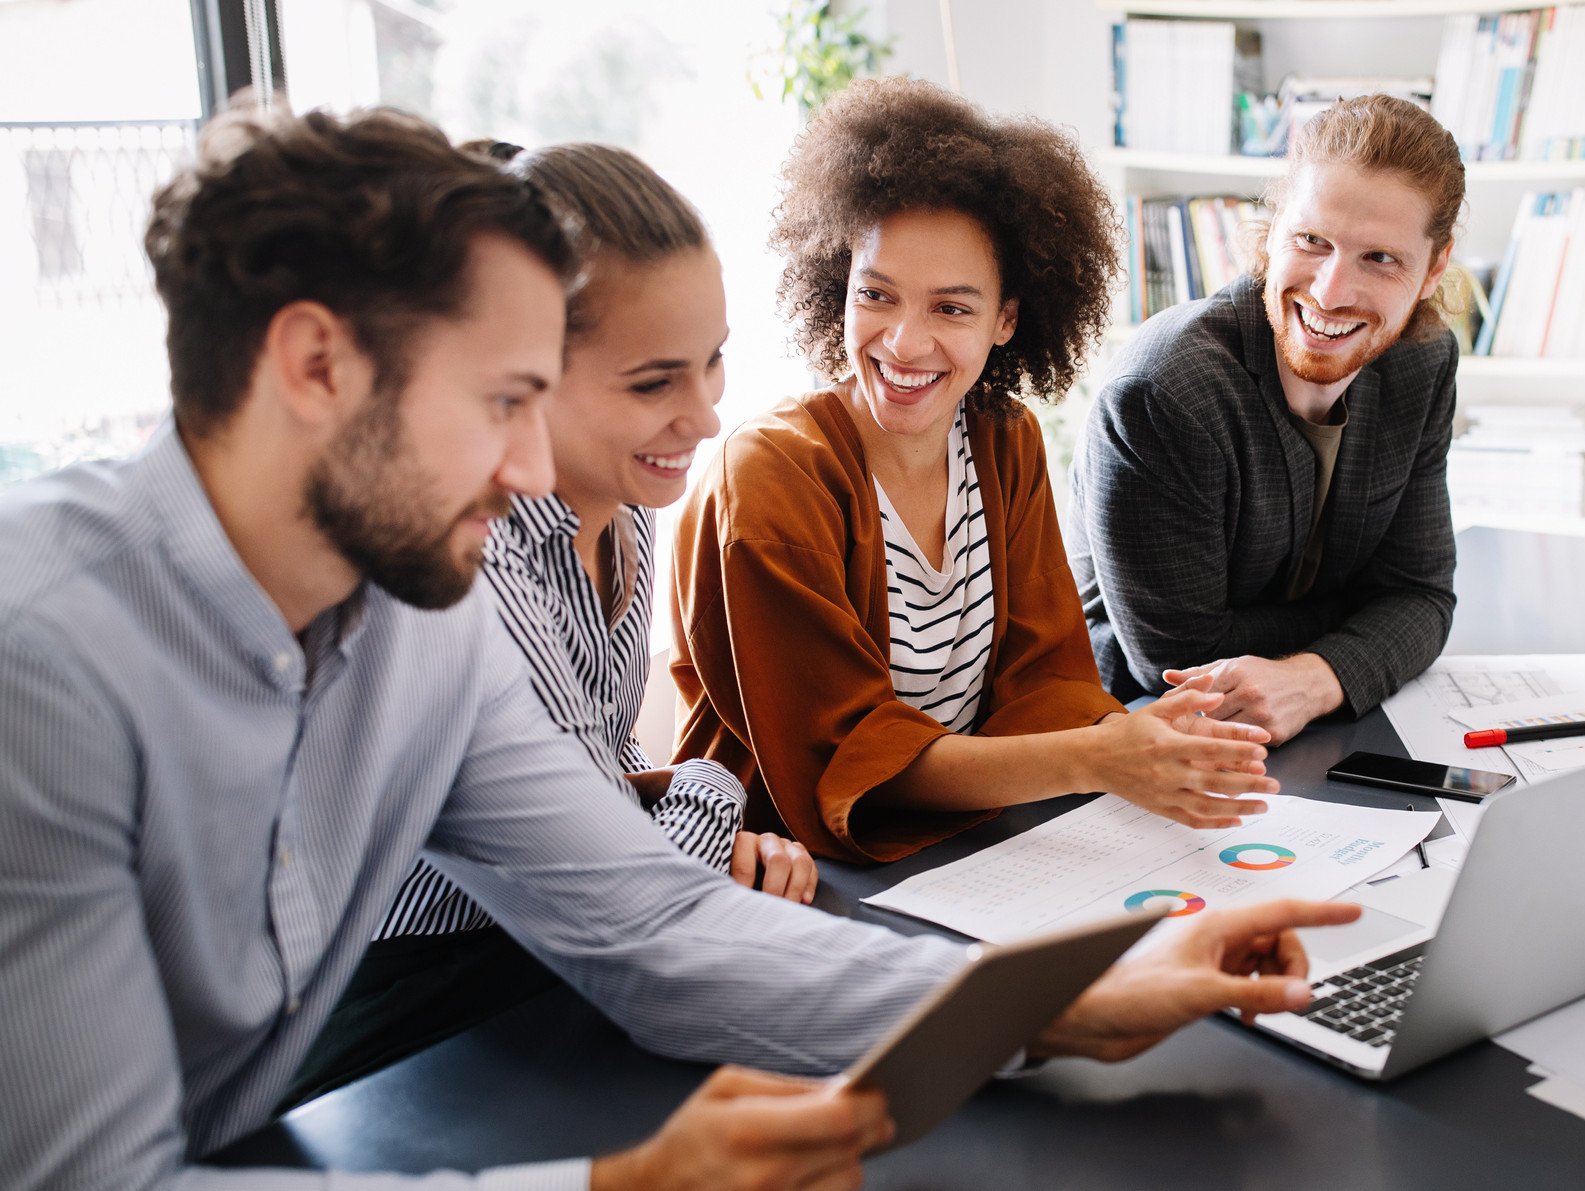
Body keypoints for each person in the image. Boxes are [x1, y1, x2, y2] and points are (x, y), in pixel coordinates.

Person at [0, 106, 1359, 1191]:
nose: (539, 465)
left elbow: (645, 920)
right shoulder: (45, 666)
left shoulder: (413, 625)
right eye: (501, 401)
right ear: (314, 367)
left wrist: (1070, 1000)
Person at [279, 141, 817, 1111]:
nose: (702, 416)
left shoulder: (631, 502)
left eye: (713, 360)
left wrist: (650, 811)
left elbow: (585, 789)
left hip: (519, 964)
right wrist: (704, 785)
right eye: (654, 383)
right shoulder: (467, 564)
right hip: (369, 1021)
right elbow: (627, 905)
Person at [667, 78, 1280, 865]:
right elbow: (849, 762)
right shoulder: (774, 476)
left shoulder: (1002, 440)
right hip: (787, 865)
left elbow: (1043, 677)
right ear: (838, 289)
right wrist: (1101, 756)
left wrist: (1135, 732)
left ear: (1007, 318)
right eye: (876, 295)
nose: (903, 342)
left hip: (968, 845)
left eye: (951, 308)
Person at [1068, 95, 1463, 745]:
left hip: (1311, 727)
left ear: (1433, 268)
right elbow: (1176, 659)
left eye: (1379, 258)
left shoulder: (1422, 364)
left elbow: (1421, 596)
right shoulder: (1164, 391)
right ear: (1274, 227)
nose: (1331, 292)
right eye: (1312, 241)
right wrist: (1369, 622)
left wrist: (1317, 678)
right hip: (1135, 736)